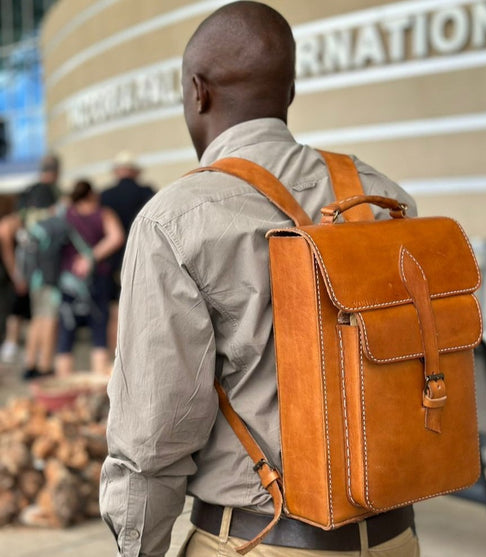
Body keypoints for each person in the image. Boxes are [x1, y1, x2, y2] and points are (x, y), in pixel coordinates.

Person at [100, 3, 419, 557]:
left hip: (258, 541)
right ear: (289, 92)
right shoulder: (382, 196)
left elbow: (153, 436)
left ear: (198, 92)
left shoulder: (176, 218)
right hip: (395, 537)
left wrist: (137, 548)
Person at [0, 154, 62, 378]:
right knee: (49, 318)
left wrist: (17, 271)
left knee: (37, 317)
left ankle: (30, 365)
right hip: (48, 270)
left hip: (31, 272)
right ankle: (44, 366)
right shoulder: (51, 195)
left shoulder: (27, 195)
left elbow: (9, 230)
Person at [55, 179, 124, 377]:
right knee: (99, 332)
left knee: (66, 334)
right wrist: (91, 256)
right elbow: (116, 237)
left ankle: (64, 385)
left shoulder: (65, 213)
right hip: (97, 278)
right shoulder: (103, 213)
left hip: (68, 280)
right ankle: (98, 386)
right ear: (92, 194)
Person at [100, 151, 154, 355]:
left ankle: (117, 357)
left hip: (113, 262)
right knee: (144, 311)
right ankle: (140, 356)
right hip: (143, 259)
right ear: (135, 171)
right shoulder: (147, 192)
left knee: (115, 311)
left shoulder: (105, 196)